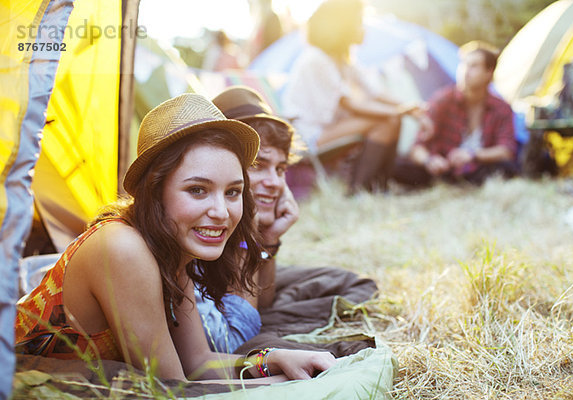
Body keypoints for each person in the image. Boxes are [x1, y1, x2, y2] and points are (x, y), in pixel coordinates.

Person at [14, 93, 335, 383]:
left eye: (233, 192)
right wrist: (289, 384)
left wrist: (273, 359)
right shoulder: (124, 247)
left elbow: (197, 362)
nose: (222, 212)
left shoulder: (170, 253)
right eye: (198, 190)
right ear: (155, 192)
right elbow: (173, 389)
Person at [197, 85, 378, 354]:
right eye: (259, 165)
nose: (274, 183)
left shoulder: (249, 231)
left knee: (351, 282)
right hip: (225, 336)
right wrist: (247, 240)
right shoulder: (201, 225)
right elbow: (233, 340)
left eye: (280, 169)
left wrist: (269, 240)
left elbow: (265, 300)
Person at [281, 0, 423, 193]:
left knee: (391, 120)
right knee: (390, 120)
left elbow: (376, 92)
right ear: (342, 27)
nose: (363, 28)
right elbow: (352, 105)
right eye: (358, 22)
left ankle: (379, 185)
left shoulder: (342, 60)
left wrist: (412, 107)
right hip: (309, 135)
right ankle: (359, 190)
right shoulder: (316, 59)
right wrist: (401, 111)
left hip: (328, 129)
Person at [394, 40, 518, 187]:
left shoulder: (501, 108)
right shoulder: (443, 100)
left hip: (478, 169)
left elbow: (507, 150)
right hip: (443, 168)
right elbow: (417, 148)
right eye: (464, 64)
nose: (466, 71)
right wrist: (430, 161)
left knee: (508, 169)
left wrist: (472, 155)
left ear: (489, 73)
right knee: (398, 166)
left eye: (474, 66)